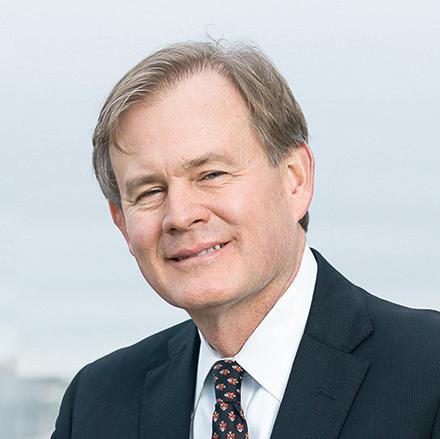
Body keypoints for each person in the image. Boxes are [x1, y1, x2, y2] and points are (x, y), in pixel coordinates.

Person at [51, 41, 440, 439]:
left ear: (295, 179)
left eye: (211, 174)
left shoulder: (429, 370)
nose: (180, 215)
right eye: (150, 192)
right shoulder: (95, 404)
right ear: (121, 223)